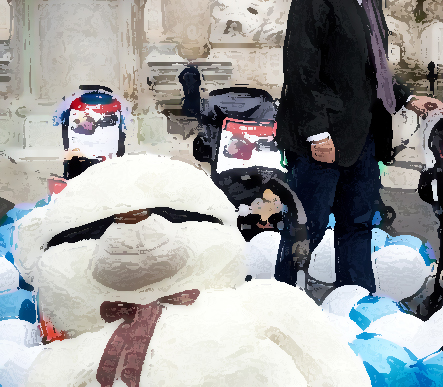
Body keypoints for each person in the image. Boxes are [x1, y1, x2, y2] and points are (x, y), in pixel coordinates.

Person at [14, 155, 371, 387]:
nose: (136, 226)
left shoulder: (263, 305)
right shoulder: (69, 358)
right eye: (95, 230)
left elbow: (334, 370)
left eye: (172, 216)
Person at [275, 0, 443, 291]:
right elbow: (301, 66)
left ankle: (356, 301)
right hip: (323, 138)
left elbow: (374, 68)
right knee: (307, 228)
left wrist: (409, 96)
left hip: (363, 136)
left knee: (358, 225)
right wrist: (316, 132)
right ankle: (284, 301)